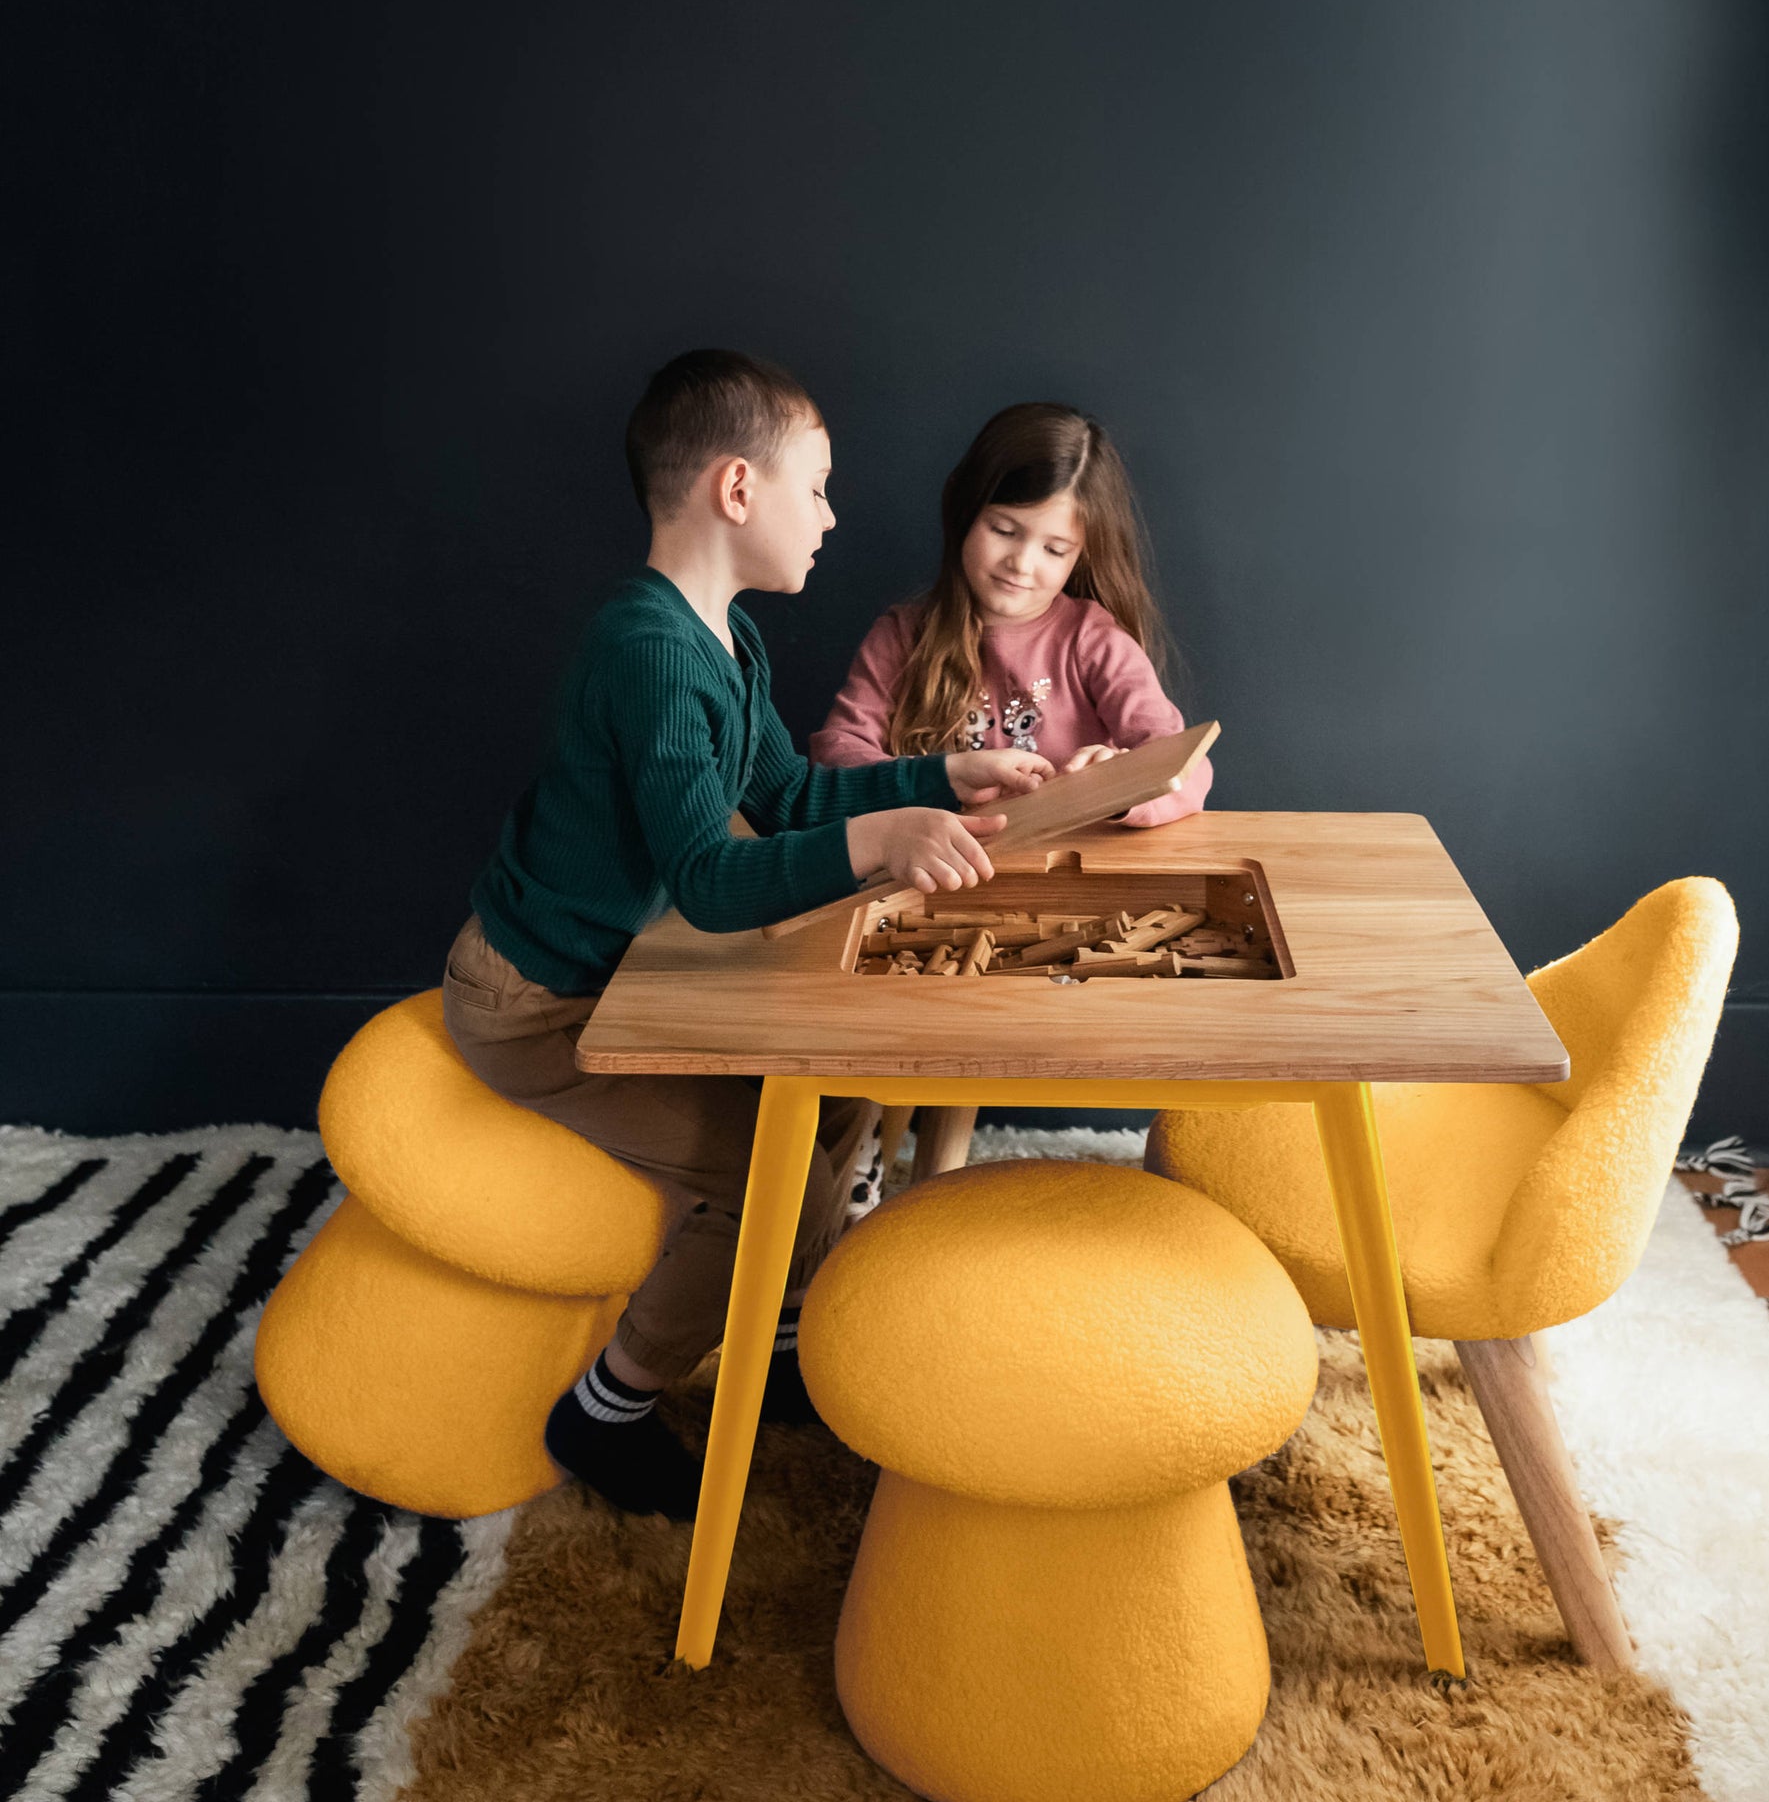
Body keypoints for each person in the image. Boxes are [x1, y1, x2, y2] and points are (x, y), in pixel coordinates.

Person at [443, 350, 1049, 1516]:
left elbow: (781, 795)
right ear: (735, 489)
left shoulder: (722, 635)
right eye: (815, 487)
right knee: (787, 1186)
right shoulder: (653, 655)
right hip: (537, 1001)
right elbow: (714, 881)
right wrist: (881, 845)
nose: (830, 515)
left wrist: (941, 774)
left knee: (835, 1096)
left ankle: (775, 1345)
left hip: (622, 977)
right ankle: (604, 1408)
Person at [810, 401, 1211, 827]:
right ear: (966, 513)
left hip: (1067, 874)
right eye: (1004, 530)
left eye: (1054, 549)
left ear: (1080, 556)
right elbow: (837, 756)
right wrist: (935, 779)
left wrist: (1118, 791)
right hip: (936, 873)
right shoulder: (902, 636)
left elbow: (1187, 768)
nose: (1021, 563)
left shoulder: (1094, 642)